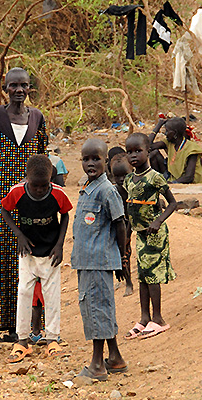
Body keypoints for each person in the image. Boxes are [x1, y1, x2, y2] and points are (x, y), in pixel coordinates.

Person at [0, 68, 48, 345]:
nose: (18, 90)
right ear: (4, 88)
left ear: (30, 88)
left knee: (23, 263)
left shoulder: (37, 118)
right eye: (13, 85)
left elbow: (43, 162)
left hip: (28, 202)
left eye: (23, 85)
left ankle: (19, 327)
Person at [1, 155, 72, 363]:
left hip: (50, 253)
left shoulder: (58, 194)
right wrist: (19, 235)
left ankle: (52, 339)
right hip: (28, 253)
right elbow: (5, 210)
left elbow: (66, 214)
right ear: (26, 179)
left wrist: (60, 244)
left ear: (51, 179)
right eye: (35, 185)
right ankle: (22, 341)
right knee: (23, 293)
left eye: (44, 185)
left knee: (52, 296)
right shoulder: (17, 192)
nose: (40, 189)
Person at [72, 138, 127, 381]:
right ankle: (115, 358)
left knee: (96, 310)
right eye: (86, 159)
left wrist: (122, 256)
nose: (91, 163)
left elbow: (120, 224)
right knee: (100, 308)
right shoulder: (87, 187)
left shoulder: (106, 190)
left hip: (98, 260)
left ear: (106, 160)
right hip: (87, 260)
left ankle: (97, 364)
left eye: (96, 158)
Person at [121, 133, 177, 340]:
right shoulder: (128, 179)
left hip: (155, 234)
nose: (134, 155)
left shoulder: (155, 177)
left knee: (153, 276)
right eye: (130, 152)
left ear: (148, 152)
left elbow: (172, 203)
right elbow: (129, 209)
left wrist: (158, 221)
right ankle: (144, 318)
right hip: (140, 235)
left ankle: (158, 319)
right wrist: (126, 236)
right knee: (143, 276)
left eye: (138, 151)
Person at [149, 117, 202, 183]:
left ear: (174, 133)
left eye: (167, 131)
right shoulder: (169, 142)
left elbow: (189, 177)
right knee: (154, 153)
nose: (165, 134)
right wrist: (158, 126)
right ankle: (158, 182)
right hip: (171, 178)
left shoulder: (192, 148)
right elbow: (148, 146)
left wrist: (172, 183)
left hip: (187, 182)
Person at [110, 153, 134, 297]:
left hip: (132, 222)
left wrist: (128, 233)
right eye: (116, 176)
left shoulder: (134, 190)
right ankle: (128, 281)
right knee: (124, 254)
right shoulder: (115, 191)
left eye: (124, 175)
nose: (120, 179)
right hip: (121, 224)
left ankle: (129, 283)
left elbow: (132, 214)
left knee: (126, 251)